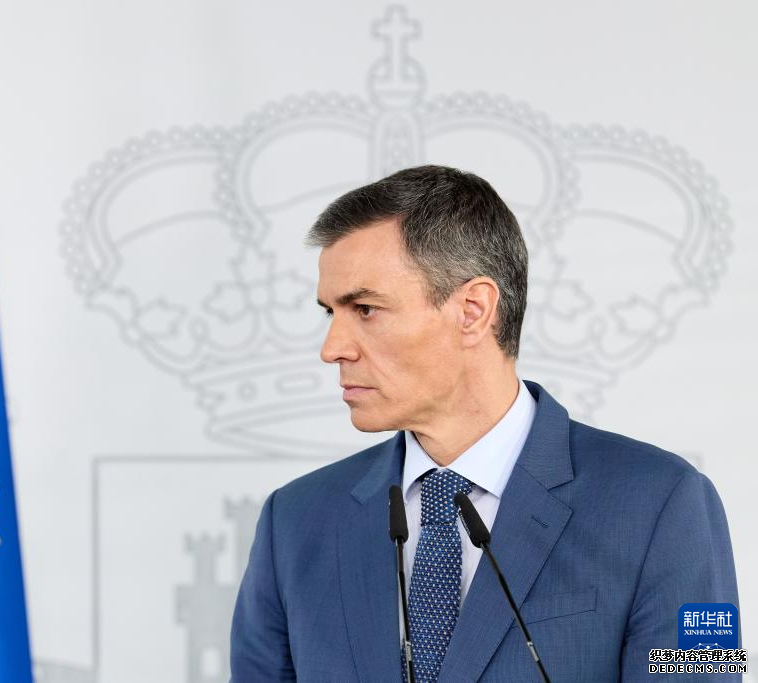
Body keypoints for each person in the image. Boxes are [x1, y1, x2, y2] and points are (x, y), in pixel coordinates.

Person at [229, 165, 740, 681]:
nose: (332, 348)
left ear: (473, 310)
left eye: (364, 309)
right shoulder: (293, 522)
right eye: (329, 313)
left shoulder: (666, 503)